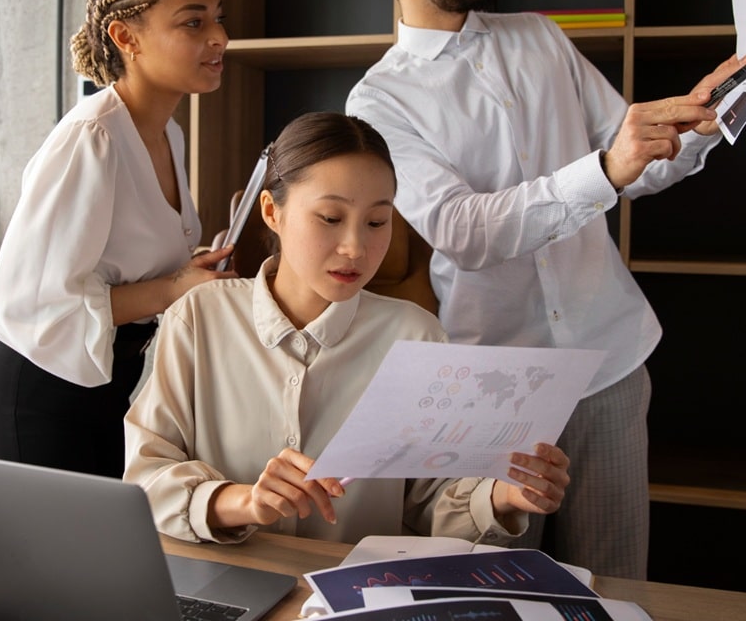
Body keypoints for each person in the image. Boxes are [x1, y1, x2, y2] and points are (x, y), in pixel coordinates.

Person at [343, 0, 746, 578]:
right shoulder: (379, 100)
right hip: (494, 381)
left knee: (617, 576)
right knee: (498, 585)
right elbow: (462, 232)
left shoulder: (539, 36)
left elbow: (635, 163)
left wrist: (702, 121)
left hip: (609, 355)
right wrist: (607, 168)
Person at [123, 111, 570, 545]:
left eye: (377, 222)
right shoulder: (199, 317)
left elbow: (429, 503)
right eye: (331, 218)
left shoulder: (415, 336)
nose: (356, 247)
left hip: (356, 585)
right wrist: (245, 502)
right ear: (272, 211)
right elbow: (146, 478)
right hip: (226, 576)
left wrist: (503, 496)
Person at [0, 0, 235, 478]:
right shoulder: (92, 137)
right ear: (126, 37)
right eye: (193, 22)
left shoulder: (169, 134)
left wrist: (190, 272)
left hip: (107, 382)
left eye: (218, 19)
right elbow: (36, 306)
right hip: (37, 391)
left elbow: (122, 267)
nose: (219, 37)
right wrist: (171, 289)